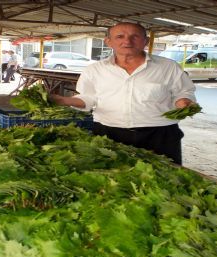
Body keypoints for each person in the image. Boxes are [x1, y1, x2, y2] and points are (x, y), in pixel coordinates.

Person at [50, 22, 197, 165]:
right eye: (120, 36)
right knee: (115, 178)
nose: (127, 41)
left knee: (166, 178)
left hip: (159, 135)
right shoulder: (94, 70)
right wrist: (63, 101)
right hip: (109, 134)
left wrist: (183, 101)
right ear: (108, 41)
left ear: (146, 41)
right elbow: (88, 98)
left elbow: (184, 91)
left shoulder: (168, 67)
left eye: (135, 36)